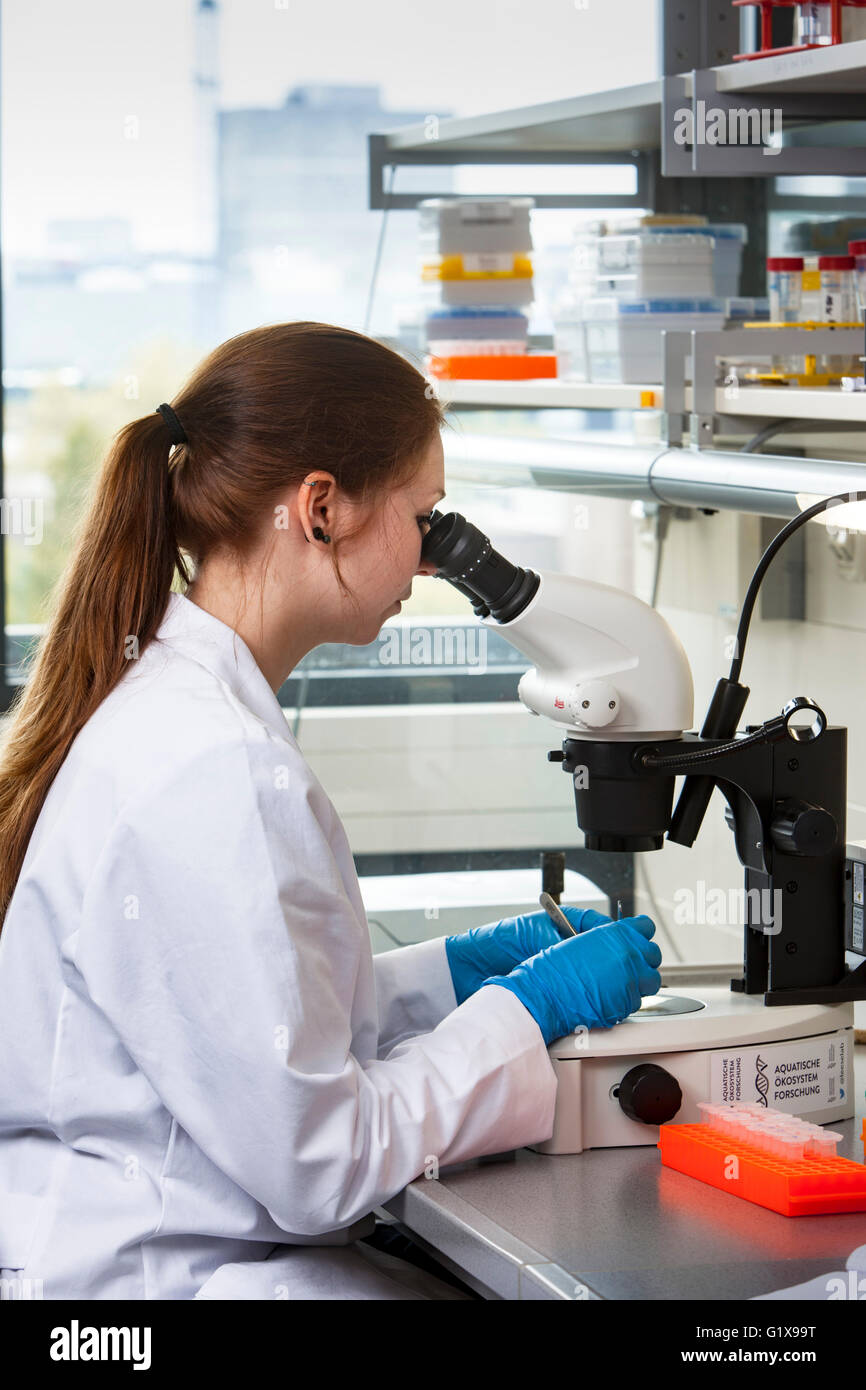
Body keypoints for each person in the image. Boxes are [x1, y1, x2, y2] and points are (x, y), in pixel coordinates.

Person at [0, 321, 661, 1301]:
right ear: (318, 510)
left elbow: (240, 1024)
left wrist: (437, 980)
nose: (429, 561)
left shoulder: (176, 710)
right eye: (421, 516)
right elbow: (319, 1161)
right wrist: (525, 1009)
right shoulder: (212, 768)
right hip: (161, 1282)